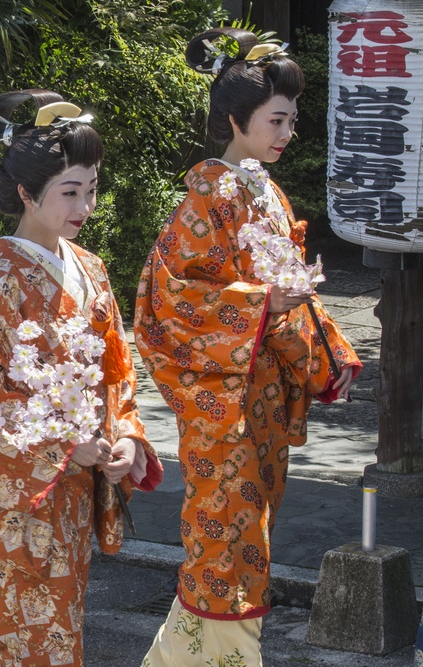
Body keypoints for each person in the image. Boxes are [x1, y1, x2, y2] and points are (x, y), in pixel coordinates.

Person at [134, 28, 361, 665]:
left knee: (249, 526)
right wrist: (259, 304)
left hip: (259, 390)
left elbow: (295, 295)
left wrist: (327, 358)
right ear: (236, 120)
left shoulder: (265, 189)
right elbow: (173, 299)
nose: (287, 132)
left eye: (292, 119)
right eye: (277, 119)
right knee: (224, 534)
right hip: (220, 399)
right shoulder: (208, 195)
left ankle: (178, 659)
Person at [0, 90, 164, 667]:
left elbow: (116, 370)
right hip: (27, 484)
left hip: (79, 475)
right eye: (70, 191)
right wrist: (64, 443)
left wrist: (123, 435)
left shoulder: (91, 269)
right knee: (33, 624)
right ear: (28, 193)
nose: (84, 205)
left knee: (64, 618)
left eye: (91, 189)